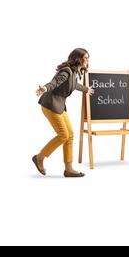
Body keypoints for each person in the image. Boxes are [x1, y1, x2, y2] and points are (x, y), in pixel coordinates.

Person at [32, 48, 94, 177]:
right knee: (63, 135)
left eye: (88, 58)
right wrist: (44, 88)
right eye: (85, 57)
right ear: (78, 58)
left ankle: (69, 169)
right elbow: (55, 83)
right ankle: (39, 157)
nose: (87, 60)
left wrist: (86, 89)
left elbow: (74, 85)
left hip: (59, 105)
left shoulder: (75, 72)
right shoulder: (66, 71)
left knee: (70, 134)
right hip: (51, 104)